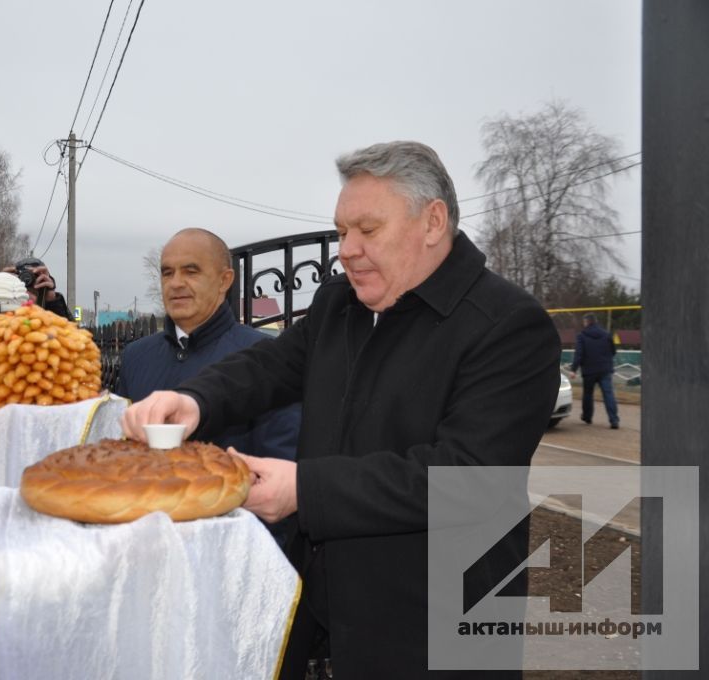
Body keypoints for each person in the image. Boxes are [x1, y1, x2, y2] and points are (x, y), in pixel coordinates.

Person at [121, 141, 562, 679]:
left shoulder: (508, 326)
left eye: (367, 230)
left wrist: (304, 490)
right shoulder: (340, 304)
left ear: (432, 221)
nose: (346, 249)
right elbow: (271, 365)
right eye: (341, 232)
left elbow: (468, 478)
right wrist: (194, 399)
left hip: (434, 636)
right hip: (324, 617)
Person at [115, 227, 301, 542]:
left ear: (224, 280)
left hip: (229, 547)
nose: (176, 284)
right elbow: (121, 455)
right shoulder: (136, 356)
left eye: (191, 271)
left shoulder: (263, 359)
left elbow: (281, 469)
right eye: (167, 273)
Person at [569, 312, 619, 428]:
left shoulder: (582, 336)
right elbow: (613, 351)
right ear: (595, 321)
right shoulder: (606, 334)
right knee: (608, 394)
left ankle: (587, 417)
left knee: (588, 394)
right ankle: (614, 420)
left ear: (586, 322)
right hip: (605, 370)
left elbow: (579, 354)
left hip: (589, 371)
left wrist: (573, 369)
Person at [6, 256, 74, 320]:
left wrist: (52, 301)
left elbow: (69, 330)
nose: (28, 280)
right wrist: (0, 288)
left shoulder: (50, 301)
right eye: (23, 275)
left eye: (35, 276)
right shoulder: (6, 305)